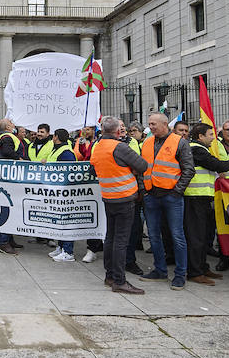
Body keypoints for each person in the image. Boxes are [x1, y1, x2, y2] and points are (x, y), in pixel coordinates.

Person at [89, 116, 148, 294]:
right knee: (121, 241)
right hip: (125, 198)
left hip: (108, 197)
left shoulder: (97, 146)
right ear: (116, 132)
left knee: (111, 238)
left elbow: (93, 169)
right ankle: (119, 281)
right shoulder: (120, 147)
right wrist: (131, 169)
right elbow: (143, 165)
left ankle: (109, 276)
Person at [138, 111, 194, 288]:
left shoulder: (180, 142)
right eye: (150, 124)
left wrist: (177, 192)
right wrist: (144, 190)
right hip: (151, 196)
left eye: (153, 124)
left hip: (171, 197)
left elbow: (188, 170)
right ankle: (160, 270)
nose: (150, 127)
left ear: (164, 125)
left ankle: (180, 274)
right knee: (154, 236)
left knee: (177, 236)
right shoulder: (147, 142)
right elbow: (141, 168)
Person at [180, 122, 229, 284]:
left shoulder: (200, 149)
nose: (214, 138)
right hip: (194, 197)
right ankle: (195, 272)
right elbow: (216, 165)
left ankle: (202, 268)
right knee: (196, 237)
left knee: (203, 236)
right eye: (211, 135)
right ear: (200, 136)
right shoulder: (196, 149)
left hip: (203, 198)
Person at [0, 119, 24, 254]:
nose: (14, 123)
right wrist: (20, 160)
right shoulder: (8, 137)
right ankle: (3, 242)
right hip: (10, 177)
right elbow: (9, 152)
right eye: (11, 122)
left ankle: (9, 239)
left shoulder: (1, 137)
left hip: (5, 175)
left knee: (11, 207)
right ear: (8, 127)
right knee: (10, 207)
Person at [46, 128, 82, 262]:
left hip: (63, 192)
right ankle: (61, 247)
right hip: (56, 190)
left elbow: (68, 171)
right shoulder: (57, 149)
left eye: (53, 136)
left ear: (56, 137)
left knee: (66, 222)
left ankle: (68, 251)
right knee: (59, 221)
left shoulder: (66, 152)